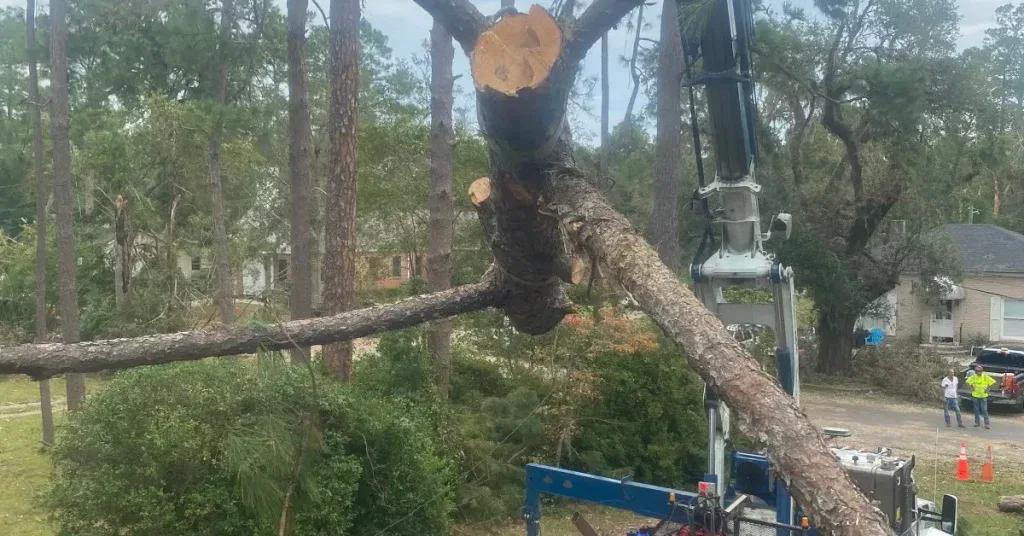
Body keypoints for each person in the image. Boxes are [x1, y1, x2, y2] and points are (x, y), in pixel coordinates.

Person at [965, 364, 996, 429]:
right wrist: (971, 388)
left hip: (983, 396)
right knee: (976, 410)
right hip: (975, 395)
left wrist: (988, 389)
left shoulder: (985, 377)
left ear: (981, 371)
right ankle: (977, 422)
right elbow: (967, 382)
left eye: (979, 371)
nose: (978, 372)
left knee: (984, 410)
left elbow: (993, 382)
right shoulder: (974, 377)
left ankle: (987, 424)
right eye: (976, 371)